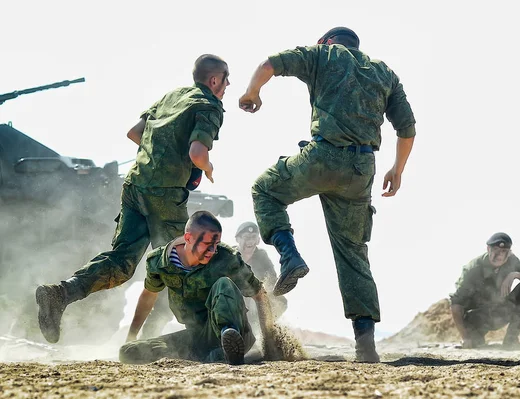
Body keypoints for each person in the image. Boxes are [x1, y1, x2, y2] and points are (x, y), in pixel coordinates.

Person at [238, 27, 416, 362]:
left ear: (325, 42)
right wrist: (397, 170)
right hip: (362, 168)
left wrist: (252, 93)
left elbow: (270, 64)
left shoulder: (322, 55)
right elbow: (407, 129)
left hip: (323, 156)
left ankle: (290, 256)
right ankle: (366, 345)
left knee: (265, 189)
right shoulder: (385, 72)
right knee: (353, 253)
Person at [35, 54, 230, 344]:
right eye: (226, 79)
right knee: (184, 260)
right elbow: (197, 154)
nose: (227, 85)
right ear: (214, 80)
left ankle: (60, 293)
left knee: (121, 263)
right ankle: (201, 332)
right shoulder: (209, 105)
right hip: (165, 195)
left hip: (135, 185)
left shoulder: (171, 97)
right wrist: (207, 167)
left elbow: (134, 133)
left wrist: (163, 156)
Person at [120, 211, 274, 365]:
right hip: (197, 336)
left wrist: (269, 344)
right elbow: (148, 296)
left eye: (216, 244)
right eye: (207, 245)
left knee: (223, 284)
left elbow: (260, 294)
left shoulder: (227, 258)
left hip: (237, 333)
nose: (213, 251)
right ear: (188, 238)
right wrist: (131, 335)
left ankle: (228, 342)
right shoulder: (159, 262)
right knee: (128, 351)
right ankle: (212, 356)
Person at [450, 232, 520, 350]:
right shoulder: (473, 269)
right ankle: (474, 339)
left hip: (500, 312)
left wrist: (515, 275)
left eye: (504, 251)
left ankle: (511, 339)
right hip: (477, 318)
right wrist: (465, 337)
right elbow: (456, 304)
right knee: (475, 345)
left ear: (509, 253)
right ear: (488, 249)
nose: (499, 255)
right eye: (495, 250)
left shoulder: (512, 261)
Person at [234, 221, 288, 319]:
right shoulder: (230, 256)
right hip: (234, 299)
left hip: (255, 298)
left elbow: (272, 278)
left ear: (258, 240)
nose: (250, 241)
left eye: (253, 237)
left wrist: (264, 292)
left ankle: (264, 328)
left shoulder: (262, 256)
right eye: (246, 237)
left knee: (280, 301)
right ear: (238, 239)